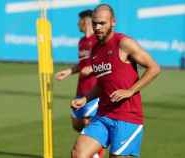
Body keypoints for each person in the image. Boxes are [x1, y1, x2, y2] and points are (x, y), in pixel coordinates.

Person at [71, 4, 161, 158]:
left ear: (113, 22)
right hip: (103, 114)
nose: (98, 27)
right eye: (95, 23)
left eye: (102, 23)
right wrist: (86, 99)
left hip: (127, 117)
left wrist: (130, 90)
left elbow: (154, 68)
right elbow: (102, 82)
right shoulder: (95, 50)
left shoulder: (124, 43)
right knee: (78, 154)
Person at [55, 9, 103, 158]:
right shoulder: (82, 42)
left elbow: (106, 63)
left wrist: (93, 68)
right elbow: (82, 64)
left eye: (79, 21)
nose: (77, 24)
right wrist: (70, 71)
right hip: (80, 89)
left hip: (94, 90)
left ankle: (95, 154)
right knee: (77, 124)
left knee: (89, 124)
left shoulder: (98, 41)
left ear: (86, 21)